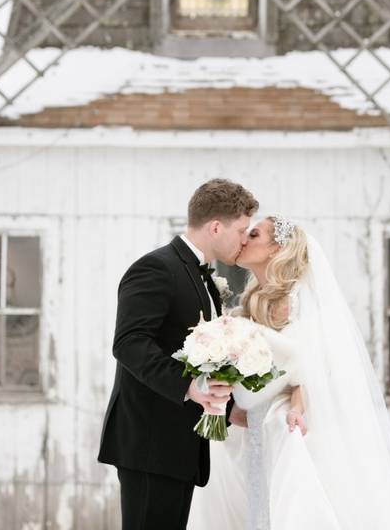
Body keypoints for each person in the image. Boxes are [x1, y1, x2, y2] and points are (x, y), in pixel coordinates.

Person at [187, 216, 390, 530]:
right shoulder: (252, 301)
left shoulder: (296, 301)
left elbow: (310, 366)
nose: (244, 240)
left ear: (276, 249)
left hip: (286, 417)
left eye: (254, 234)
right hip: (250, 415)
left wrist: (297, 406)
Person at [97, 179, 259, 530]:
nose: (245, 239)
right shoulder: (156, 268)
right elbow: (129, 343)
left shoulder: (201, 277)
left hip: (177, 446)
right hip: (150, 441)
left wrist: (230, 410)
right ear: (216, 227)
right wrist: (189, 387)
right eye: (242, 230)